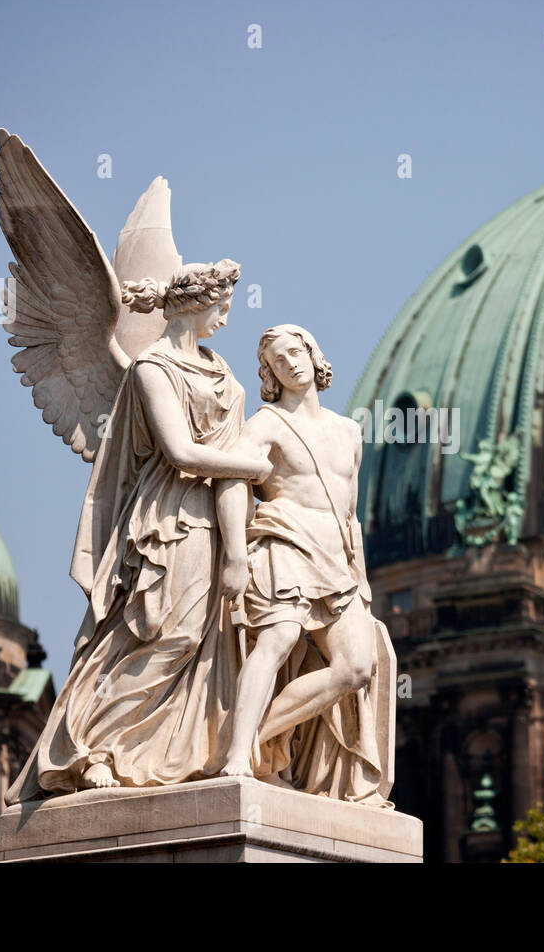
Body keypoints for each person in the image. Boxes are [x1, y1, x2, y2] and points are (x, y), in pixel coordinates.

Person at [5, 260, 270, 802]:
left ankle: (166, 750)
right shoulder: (151, 368)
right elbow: (178, 451)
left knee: (206, 640)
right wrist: (254, 468)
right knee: (164, 633)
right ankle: (90, 744)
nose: (224, 318)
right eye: (221, 307)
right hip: (169, 516)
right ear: (196, 304)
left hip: (220, 514)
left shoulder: (221, 370)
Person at [218, 324, 395, 805]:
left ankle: (253, 739)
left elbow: (350, 513)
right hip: (286, 541)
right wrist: (235, 554)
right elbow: (231, 480)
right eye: (278, 361)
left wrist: (360, 581)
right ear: (270, 374)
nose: (291, 363)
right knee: (278, 639)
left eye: (296, 352)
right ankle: (236, 755)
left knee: (357, 667)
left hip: (336, 557)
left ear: (314, 355)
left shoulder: (349, 431)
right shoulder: (267, 423)